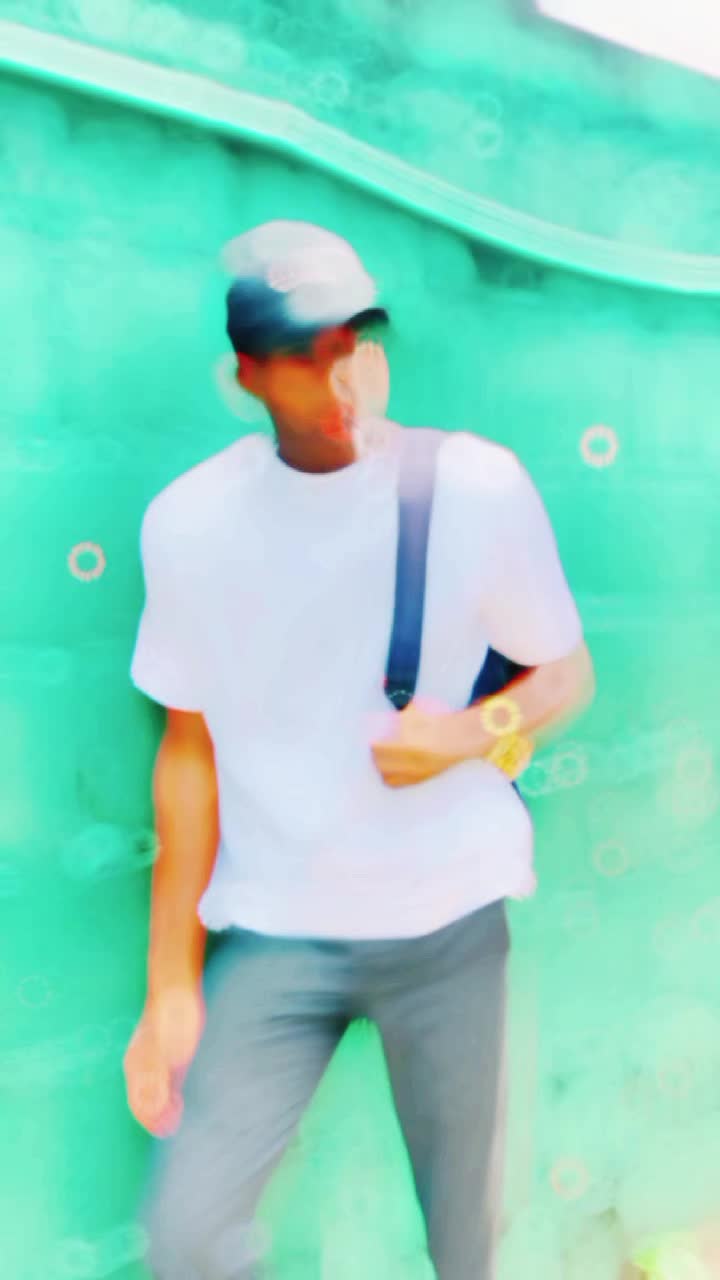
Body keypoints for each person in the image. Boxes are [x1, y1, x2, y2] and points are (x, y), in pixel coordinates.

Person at [123, 220, 596, 1279]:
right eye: (305, 353)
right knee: (185, 1237)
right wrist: (171, 988)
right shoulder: (189, 523)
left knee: (467, 1242)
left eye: (357, 340)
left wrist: (468, 733)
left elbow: (564, 671)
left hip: (450, 919)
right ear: (248, 374)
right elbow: (187, 752)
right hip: (277, 931)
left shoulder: (473, 486)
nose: (343, 374)